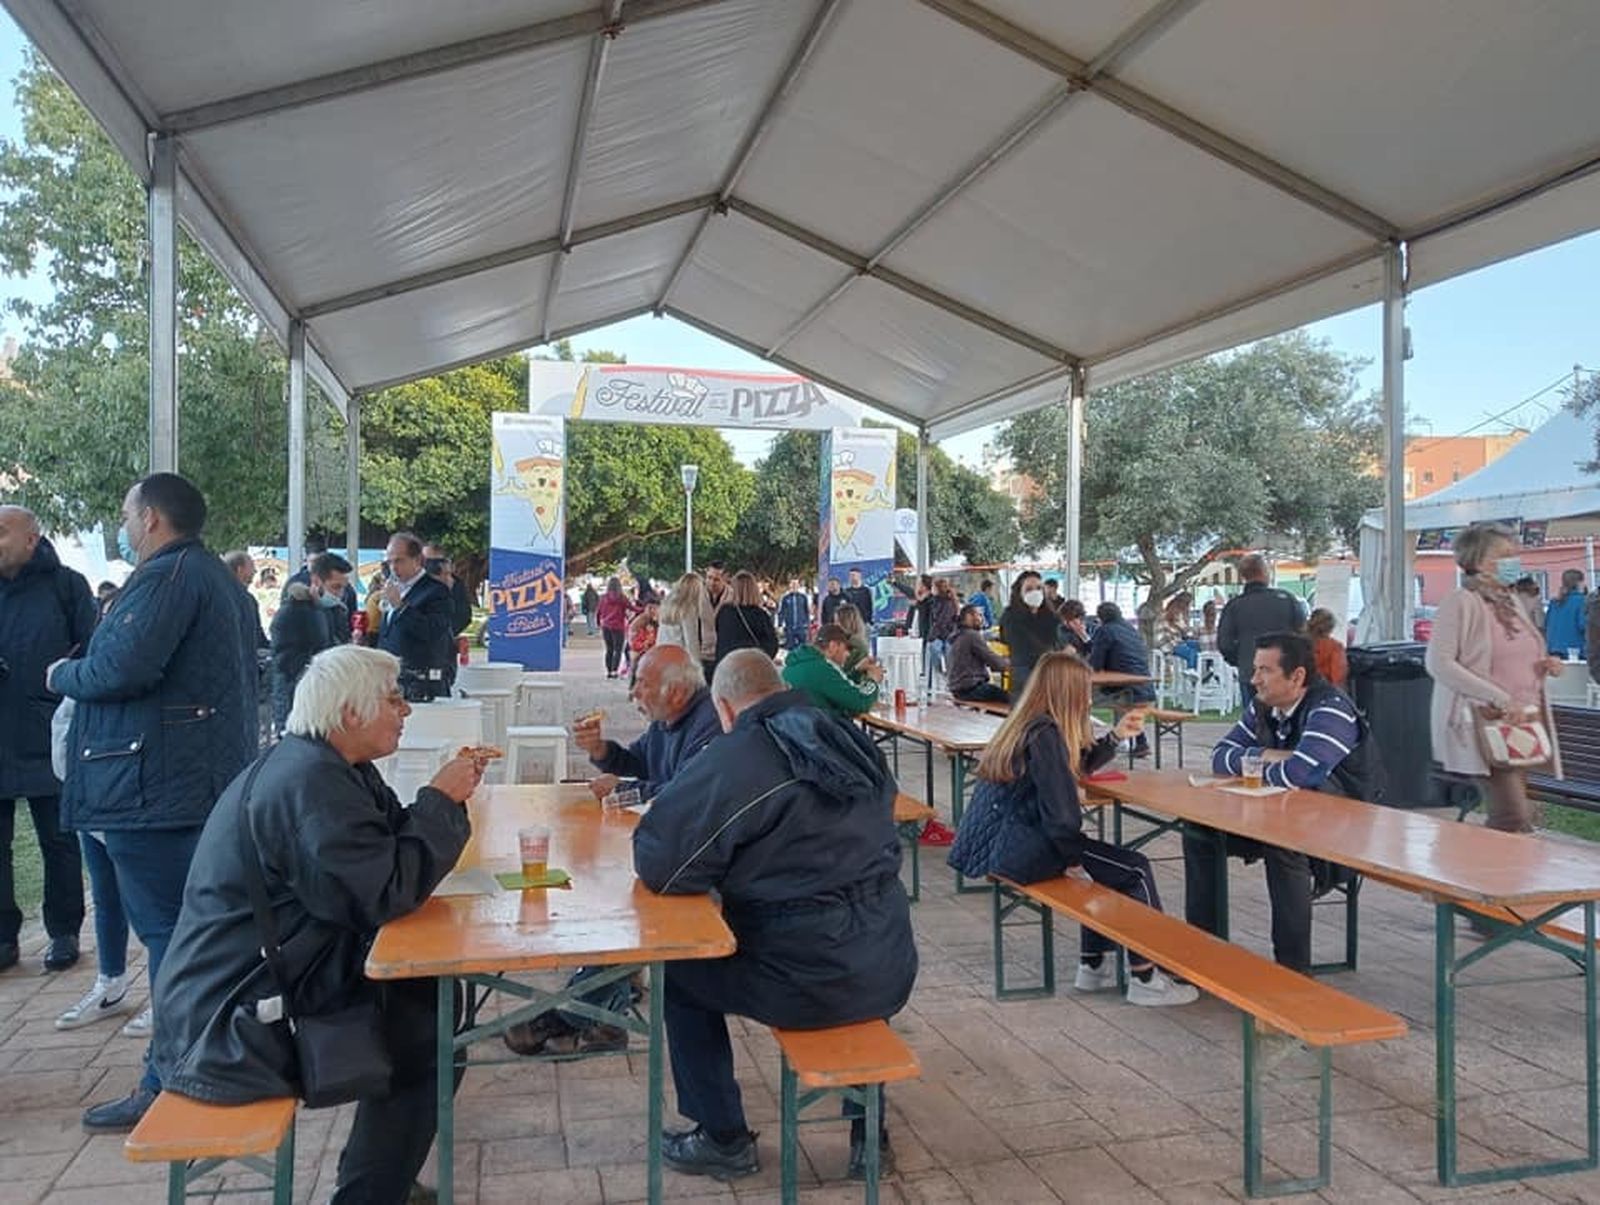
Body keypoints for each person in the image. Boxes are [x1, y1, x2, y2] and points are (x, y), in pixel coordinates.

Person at [153, 645, 482, 1203]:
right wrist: (440, 801)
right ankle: (369, 1192)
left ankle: (379, 1180)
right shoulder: (310, 782)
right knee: (428, 1042)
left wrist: (435, 805)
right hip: (233, 1021)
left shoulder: (327, 765)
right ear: (351, 713)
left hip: (261, 978)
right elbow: (383, 891)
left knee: (428, 1007)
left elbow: (384, 850)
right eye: (393, 699)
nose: (405, 711)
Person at [635, 651, 917, 1181]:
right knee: (857, 973)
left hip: (799, 974)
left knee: (679, 973)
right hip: (889, 956)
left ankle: (722, 1136)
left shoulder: (739, 755)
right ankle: (867, 1135)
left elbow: (663, 864)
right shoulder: (849, 736)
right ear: (779, 685)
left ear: (723, 706)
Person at [48, 473, 255, 1130]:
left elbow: (118, 668)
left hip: (158, 789)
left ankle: (170, 1077)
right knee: (191, 932)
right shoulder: (209, 576)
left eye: (126, 514)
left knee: (172, 937)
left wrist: (61, 673)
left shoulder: (167, 578)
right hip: (188, 780)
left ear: (153, 520)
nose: (123, 525)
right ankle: (197, 1064)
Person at [507, 645, 725, 1057]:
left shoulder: (707, 726)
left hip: (698, 866)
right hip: (664, 846)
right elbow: (638, 762)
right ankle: (607, 1011)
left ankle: (570, 1015)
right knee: (602, 885)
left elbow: (687, 792)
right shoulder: (668, 718)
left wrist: (625, 791)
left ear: (676, 692)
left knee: (622, 906)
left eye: (642, 684)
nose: (634, 693)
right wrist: (601, 751)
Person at [950, 651, 1198, 1006]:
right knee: (1135, 869)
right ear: (1067, 693)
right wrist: (1073, 860)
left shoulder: (1028, 724)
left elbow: (1070, 770)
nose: (1088, 698)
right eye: (1084, 690)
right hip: (1023, 851)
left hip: (1002, 844)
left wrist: (1113, 738)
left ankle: (1093, 965)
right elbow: (1062, 816)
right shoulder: (1046, 735)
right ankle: (1146, 975)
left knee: (1107, 870)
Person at [1191, 632, 1381, 972]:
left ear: (1297, 677)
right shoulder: (1263, 707)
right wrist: (1267, 754)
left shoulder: (1331, 710)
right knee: (1198, 830)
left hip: (1345, 833)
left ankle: (1292, 973)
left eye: (1264, 670)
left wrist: (1260, 763)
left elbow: (1300, 774)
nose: (1254, 679)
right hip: (1281, 818)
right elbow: (1219, 757)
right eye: (1255, 669)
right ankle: (1205, 950)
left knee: (1284, 846)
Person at [0, 505, 94, 974]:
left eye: (1, 532)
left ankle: (63, 931)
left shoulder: (66, 586)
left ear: (31, 539)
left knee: (58, 839)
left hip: (47, 731)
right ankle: (3, 938)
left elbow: (90, 652)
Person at [1428, 522, 1564, 835]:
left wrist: (1543, 664)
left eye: (1514, 553)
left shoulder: (1510, 600)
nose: (1513, 560)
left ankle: (1510, 874)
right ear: (1478, 560)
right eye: (1504, 554)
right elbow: (1439, 663)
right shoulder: (1460, 602)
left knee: (1518, 815)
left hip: (1521, 720)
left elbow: (1513, 652)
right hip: (1483, 719)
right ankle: (1495, 877)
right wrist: (1499, 697)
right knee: (1512, 815)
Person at [269, 552, 353, 731]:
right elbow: (285, 666)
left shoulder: (334, 611)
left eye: (343, 588)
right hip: (297, 706)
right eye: (335, 587)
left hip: (324, 703)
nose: (340, 594)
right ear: (316, 581)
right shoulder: (291, 613)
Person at [1217, 554, 1306, 709]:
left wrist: (1239, 659)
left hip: (1250, 670)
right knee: (1286, 719)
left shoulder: (1235, 606)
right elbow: (1303, 635)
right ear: (1264, 572)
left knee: (1254, 721)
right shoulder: (1287, 600)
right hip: (1284, 670)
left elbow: (1224, 643)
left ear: (1243, 575)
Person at [376, 532, 456, 700]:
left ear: (418, 560)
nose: (393, 568)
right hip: (391, 680)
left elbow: (433, 631)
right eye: (389, 562)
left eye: (399, 560)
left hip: (421, 684)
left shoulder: (436, 591)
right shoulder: (394, 589)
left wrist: (400, 607)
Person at [781, 623, 884, 717]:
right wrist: (873, 680)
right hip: (821, 733)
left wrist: (856, 671)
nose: (848, 654)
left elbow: (835, 687)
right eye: (846, 648)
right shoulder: (822, 668)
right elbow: (860, 702)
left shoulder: (795, 664)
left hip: (798, 732)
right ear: (833, 646)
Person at [999, 571, 1062, 701]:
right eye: (1028, 589)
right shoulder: (1010, 616)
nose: (1035, 592)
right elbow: (1021, 645)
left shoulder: (1051, 616)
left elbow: (1059, 642)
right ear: (1019, 593)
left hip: (1050, 673)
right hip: (1024, 675)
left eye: (1039, 588)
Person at [713, 570, 779, 667]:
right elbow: (772, 645)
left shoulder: (724, 612)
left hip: (726, 666)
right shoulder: (761, 615)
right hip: (751, 668)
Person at [947, 604, 1009, 704]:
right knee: (1014, 699)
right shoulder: (972, 635)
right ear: (969, 617)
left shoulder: (958, 635)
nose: (982, 619)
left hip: (958, 689)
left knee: (997, 693)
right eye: (979, 615)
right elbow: (995, 662)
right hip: (971, 689)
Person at [282, 535, 358, 615]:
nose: (340, 594)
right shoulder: (293, 585)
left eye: (323, 562)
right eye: (314, 562)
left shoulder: (345, 590)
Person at [423, 543, 474, 641]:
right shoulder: (415, 582)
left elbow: (464, 617)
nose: (428, 567)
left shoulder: (455, 584)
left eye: (432, 562)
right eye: (423, 561)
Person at [595, 576, 632, 679]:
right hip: (618, 627)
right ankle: (614, 671)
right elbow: (632, 608)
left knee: (609, 649)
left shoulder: (603, 598)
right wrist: (643, 608)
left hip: (606, 626)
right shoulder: (622, 598)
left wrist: (599, 624)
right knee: (618, 650)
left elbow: (598, 612)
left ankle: (609, 671)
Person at [1306, 607, 1348, 689]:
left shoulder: (1297, 643)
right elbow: (1338, 678)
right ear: (1331, 627)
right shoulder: (1335, 647)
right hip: (1322, 692)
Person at [1154, 592, 1198, 669]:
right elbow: (1185, 632)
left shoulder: (1176, 614)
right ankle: (1191, 671)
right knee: (1192, 653)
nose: (1189, 607)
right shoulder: (1171, 614)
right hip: (1169, 645)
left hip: (1176, 642)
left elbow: (1185, 633)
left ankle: (1201, 670)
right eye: (1188, 605)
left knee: (1199, 645)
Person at [627, 599, 660, 686]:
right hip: (641, 648)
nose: (653, 610)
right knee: (638, 661)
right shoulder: (639, 622)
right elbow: (633, 639)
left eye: (656, 608)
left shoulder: (660, 621)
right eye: (651, 608)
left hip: (655, 648)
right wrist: (643, 645)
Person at [778, 578, 810, 650]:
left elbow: (806, 611)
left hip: (801, 627)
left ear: (798, 585)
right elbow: (782, 612)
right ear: (790, 585)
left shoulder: (803, 597)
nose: (794, 586)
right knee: (790, 648)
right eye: (792, 584)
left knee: (803, 647)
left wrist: (807, 624)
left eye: (796, 584)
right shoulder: (786, 598)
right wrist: (780, 624)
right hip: (789, 627)